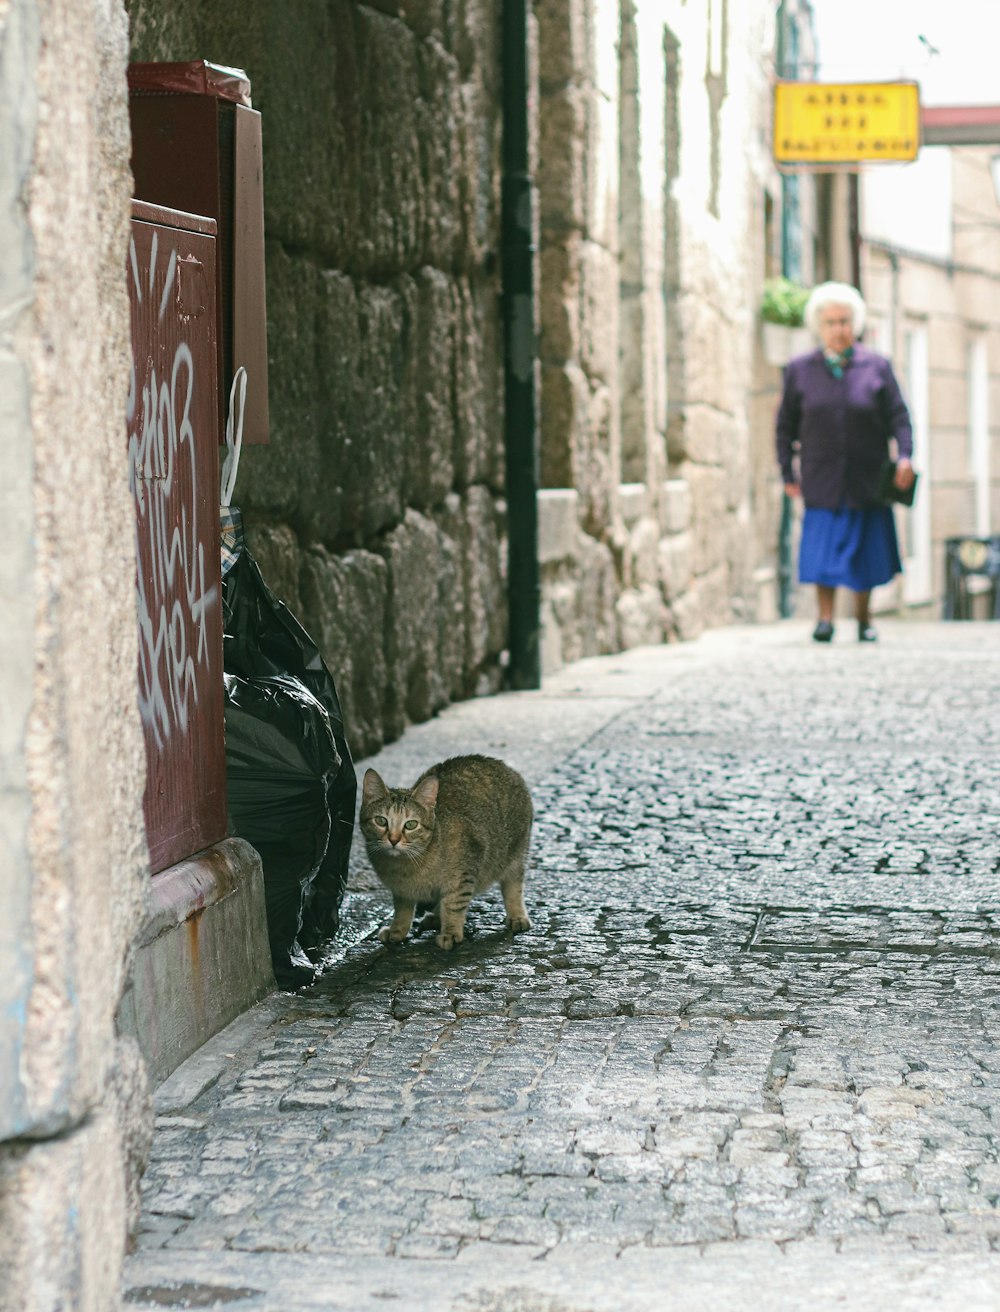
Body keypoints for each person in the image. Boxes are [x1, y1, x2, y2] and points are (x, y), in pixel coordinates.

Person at [775, 281, 915, 643]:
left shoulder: (876, 367)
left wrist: (905, 456)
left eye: (845, 321)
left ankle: (864, 619)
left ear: (855, 324)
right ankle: (825, 619)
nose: (839, 329)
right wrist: (786, 472)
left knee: (865, 550)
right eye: (832, 322)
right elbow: (784, 426)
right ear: (819, 327)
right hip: (821, 476)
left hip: (866, 476)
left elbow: (899, 417)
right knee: (823, 550)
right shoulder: (800, 370)